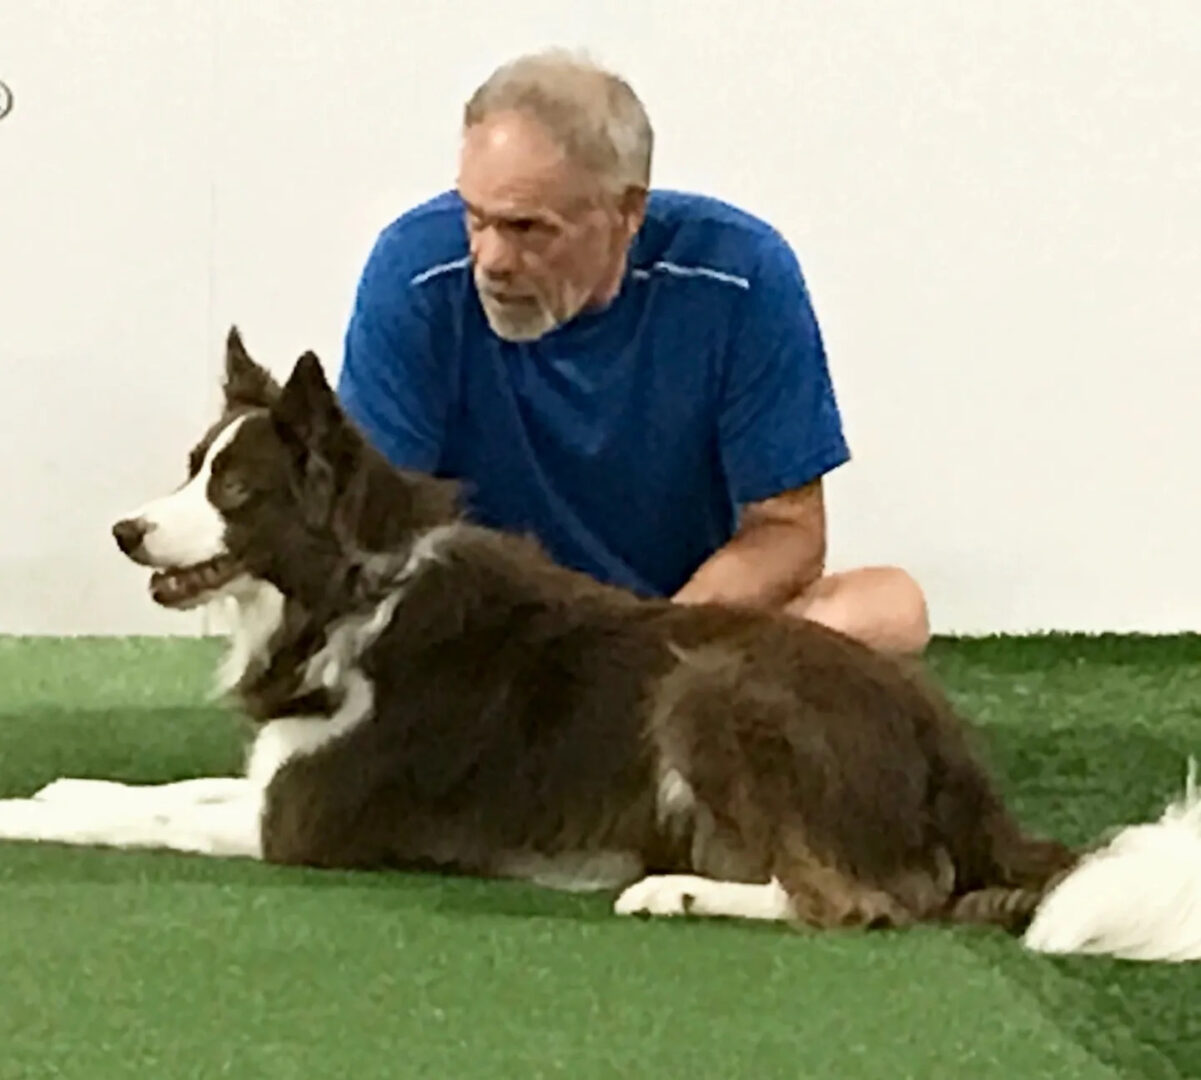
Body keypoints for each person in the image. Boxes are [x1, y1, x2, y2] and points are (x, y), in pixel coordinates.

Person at [336, 49, 930, 654]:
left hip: (678, 623)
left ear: (627, 212)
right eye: (474, 218)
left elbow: (788, 532)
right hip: (498, 644)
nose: (488, 261)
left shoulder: (739, 278)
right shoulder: (413, 274)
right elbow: (375, 523)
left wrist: (646, 645)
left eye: (526, 229)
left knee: (889, 611)